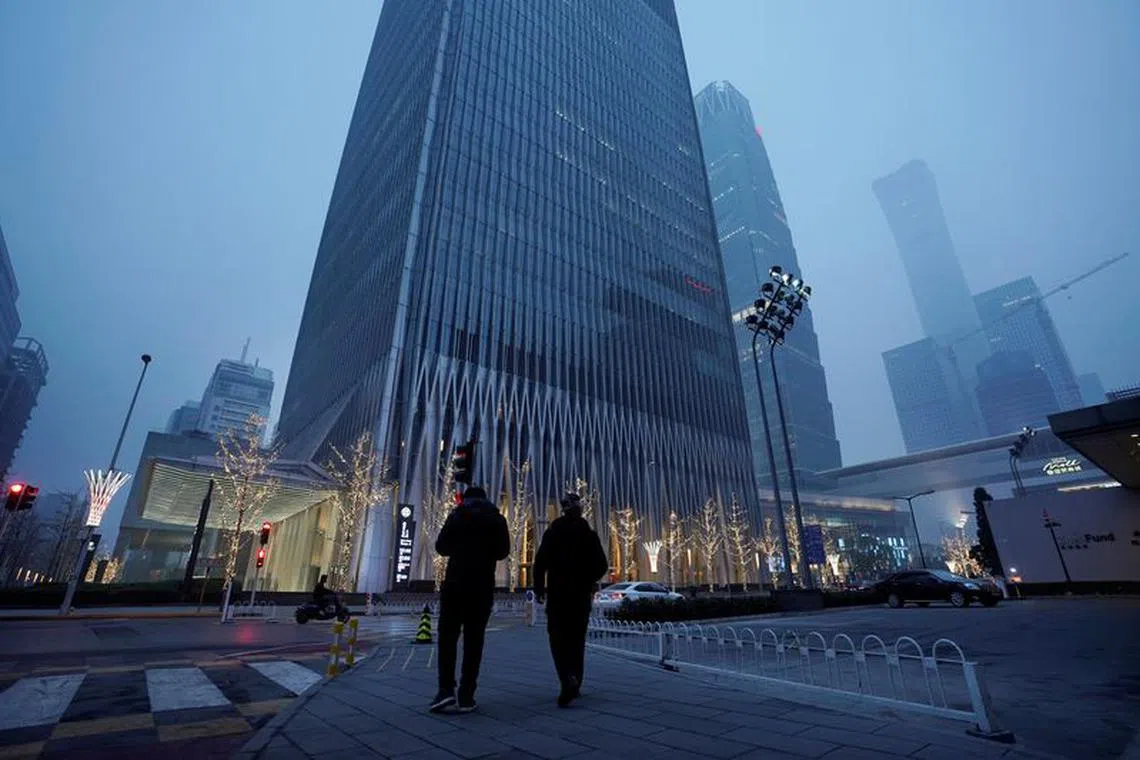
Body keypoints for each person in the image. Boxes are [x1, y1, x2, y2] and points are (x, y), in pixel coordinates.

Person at [430, 485, 510, 714]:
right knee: (474, 641)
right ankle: (467, 694)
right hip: (481, 587)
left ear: (464, 499)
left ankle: (445, 689)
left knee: (448, 638)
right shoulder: (497, 519)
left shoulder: (457, 516)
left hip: (455, 585)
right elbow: (503, 551)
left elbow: (441, 547)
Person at [532, 492, 609, 707]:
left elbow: (540, 562)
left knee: (557, 638)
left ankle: (566, 678)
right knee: (577, 639)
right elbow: (602, 565)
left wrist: (539, 588)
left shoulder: (553, 532)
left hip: (558, 595)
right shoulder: (589, 535)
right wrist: (588, 579)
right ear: (580, 510)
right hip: (580, 596)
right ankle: (576, 680)